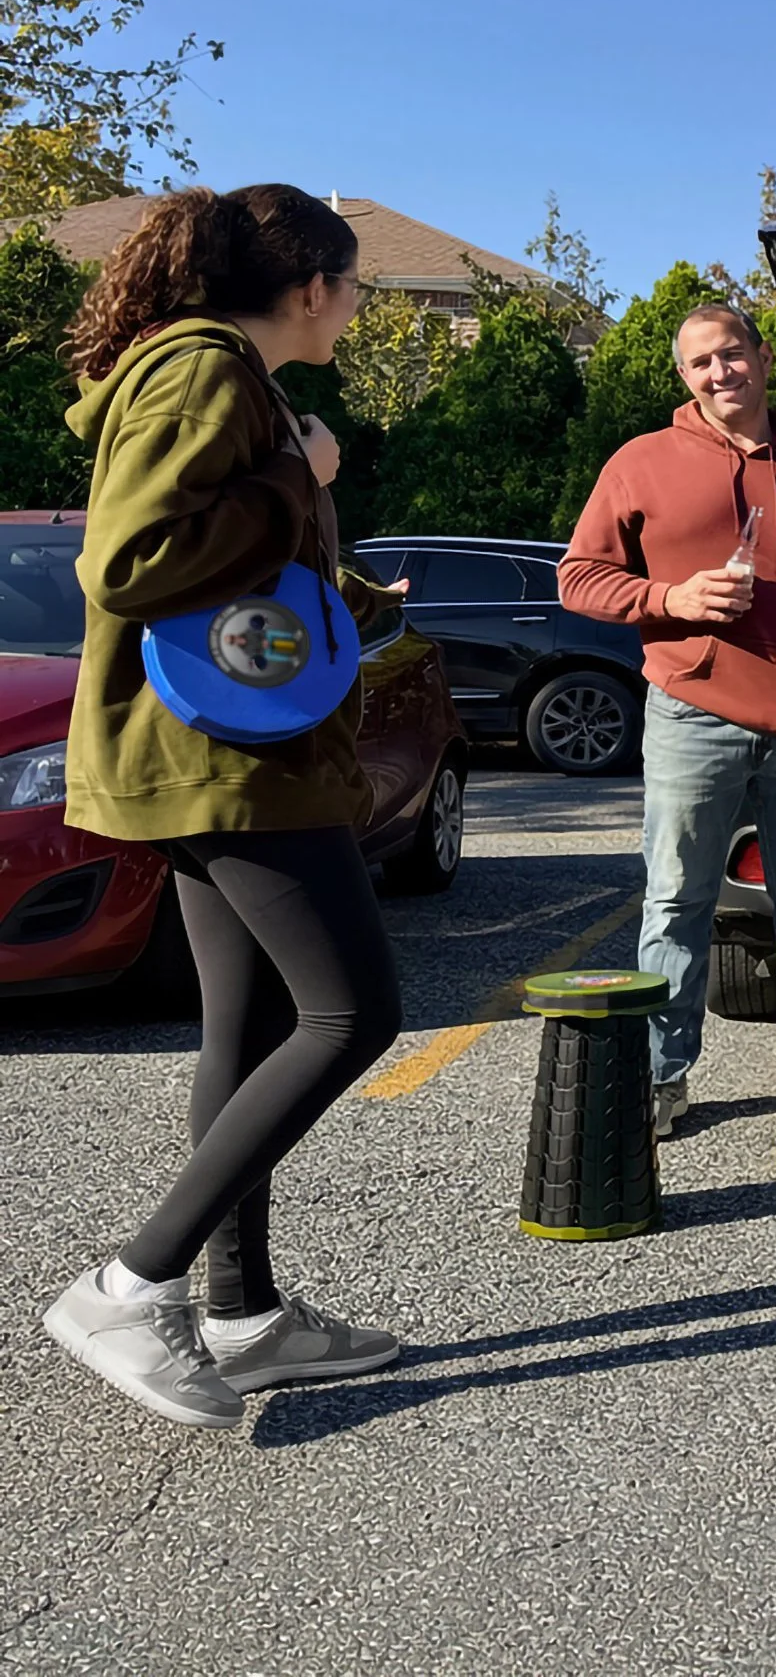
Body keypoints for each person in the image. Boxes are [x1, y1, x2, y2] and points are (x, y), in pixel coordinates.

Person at [42, 186, 408, 1430]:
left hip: (228, 746)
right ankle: (128, 1285)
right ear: (311, 286)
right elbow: (132, 560)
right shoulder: (204, 367)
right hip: (230, 758)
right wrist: (298, 474)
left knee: (246, 1029)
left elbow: (232, 575)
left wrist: (355, 594)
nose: (352, 312)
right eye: (353, 289)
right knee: (353, 1011)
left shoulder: (222, 376)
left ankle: (242, 1312)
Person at [560, 306, 776, 1130]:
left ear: (764, 357)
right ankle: (661, 1078)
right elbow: (579, 577)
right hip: (690, 713)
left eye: (732, 354)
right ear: (684, 376)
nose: (720, 373)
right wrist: (669, 598)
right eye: (701, 362)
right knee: (677, 901)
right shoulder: (641, 462)